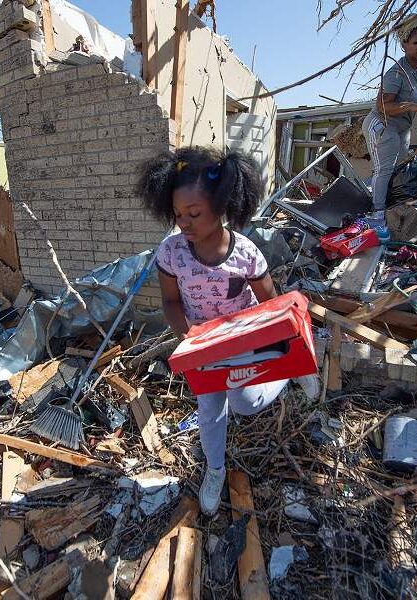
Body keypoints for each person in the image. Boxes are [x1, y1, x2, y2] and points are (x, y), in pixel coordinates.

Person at [137, 147, 295, 516]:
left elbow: (270, 301)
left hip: (242, 340)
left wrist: (277, 342)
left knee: (245, 402)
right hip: (201, 346)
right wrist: (188, 334)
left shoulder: (246, 255)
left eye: (194, 214)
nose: (184, 224)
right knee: (210, 412)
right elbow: (172, 304)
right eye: (177, 215)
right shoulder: (171, 253)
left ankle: (286, 374)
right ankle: (215, 470)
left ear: (222, 209)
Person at [362, 14, 417, 235]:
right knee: (384, 168)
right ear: (404, 44)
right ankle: (377, 215)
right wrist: (408, 107)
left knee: (395, 168)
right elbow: (382, 106)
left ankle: (383, 205)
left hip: (402, 129)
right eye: (416, 42)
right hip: (382, 124)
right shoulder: (396, 72)